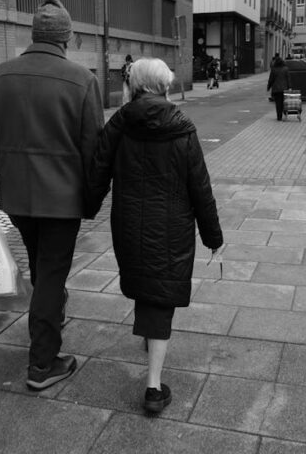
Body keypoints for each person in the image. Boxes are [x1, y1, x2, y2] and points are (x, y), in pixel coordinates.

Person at [0, 0, 104, 391]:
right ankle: (43, 363)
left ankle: (49, 315)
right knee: (50, 274)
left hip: (18, 198)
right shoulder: (82, 80)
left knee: (40, 266)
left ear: (34, 35)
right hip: (61, 200)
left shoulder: (0, 77)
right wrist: (92, 199)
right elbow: (93, 150)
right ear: (66, 38)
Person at [87, 58, 223, 413]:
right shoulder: (182, 127)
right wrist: (213, 236)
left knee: (147, 284)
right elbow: (200, 188)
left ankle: (150, 336)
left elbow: (98, 169)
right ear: (164, 86)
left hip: (129, 223)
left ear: (135, 86)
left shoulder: (119, 123)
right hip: (173, 227)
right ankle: (152, 388)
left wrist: (87, 207)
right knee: (160, 295)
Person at [267, 56, 290, 121]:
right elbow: (288, 79)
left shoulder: (274, 69)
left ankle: (279, 116)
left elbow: (271, 79)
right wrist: (290, 87)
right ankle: (284, 112)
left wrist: (268, 87)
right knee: (284, 102)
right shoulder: (286, 69)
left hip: (276, 89)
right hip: (284, 88)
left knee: (278, 103)